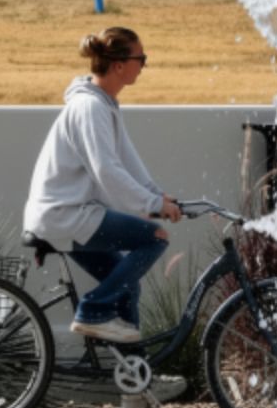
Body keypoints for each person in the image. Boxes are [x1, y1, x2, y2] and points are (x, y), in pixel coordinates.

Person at [23, 27, 182, 343]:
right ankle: (92, 310)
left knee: (125, 285)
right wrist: (152, 205)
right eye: (141, 58)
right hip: (66, 215)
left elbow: (127, 160)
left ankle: (134, 373)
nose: (144, 65)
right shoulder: (91, 108)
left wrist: (156, 196)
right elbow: (107, 171)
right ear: (119, 65)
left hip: (70, 213)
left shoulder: (103, 104)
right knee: (155, 238)